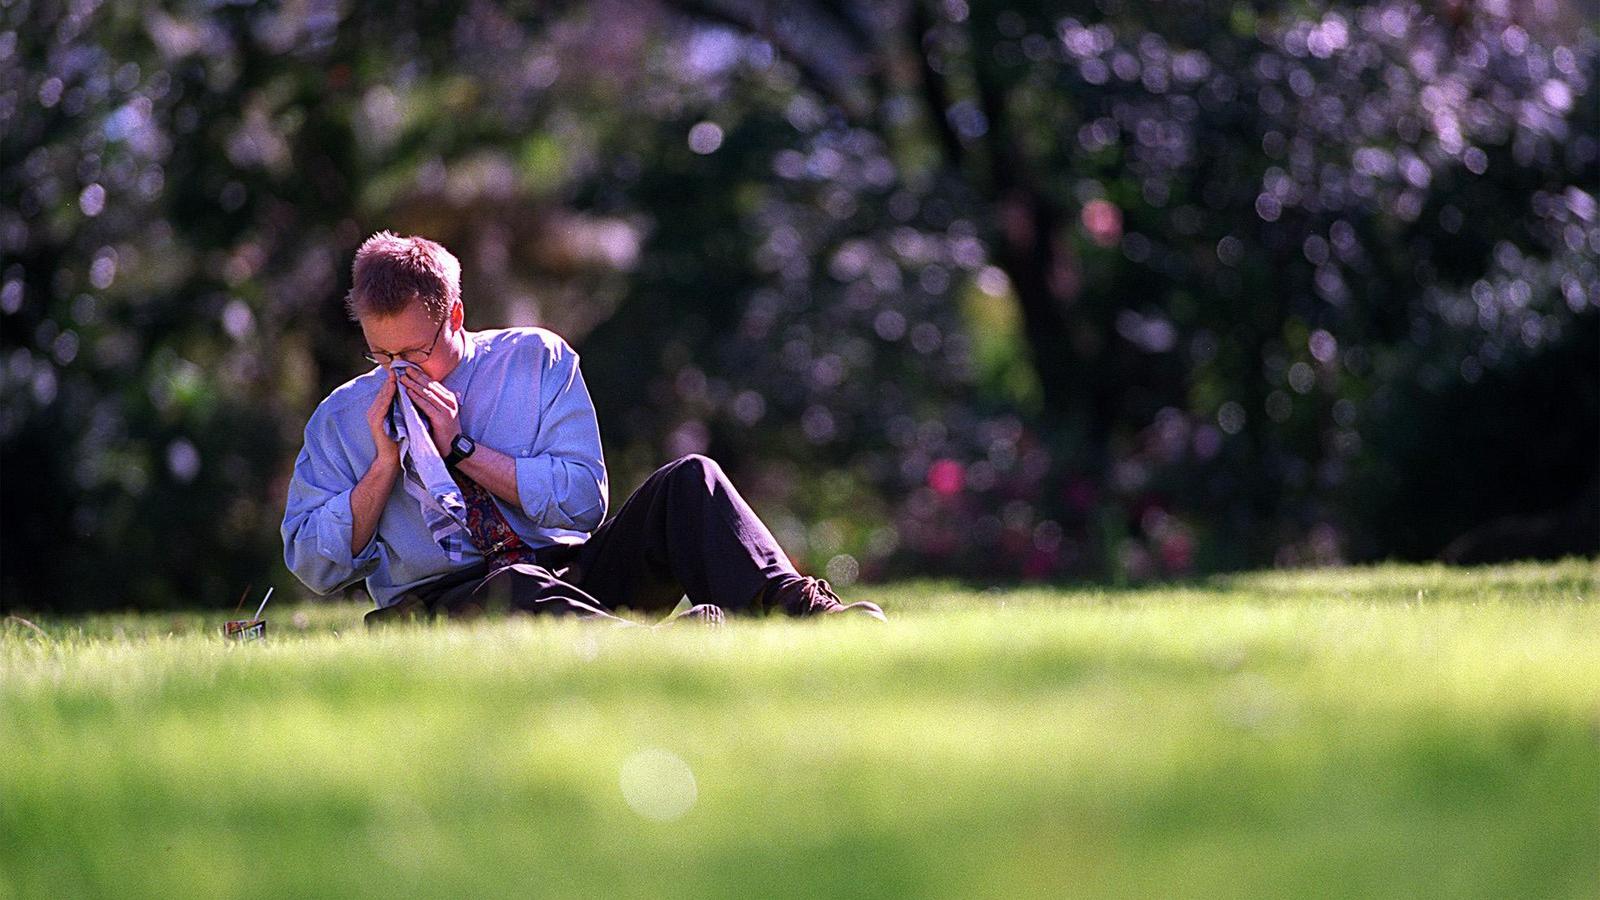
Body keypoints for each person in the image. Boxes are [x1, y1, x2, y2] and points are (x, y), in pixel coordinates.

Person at [281, 231, 885, 626]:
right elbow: (313, 565)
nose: (399, 372)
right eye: (382, 358)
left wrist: (461, 449)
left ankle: (803, 616)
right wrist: (383, 468)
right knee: (507, 585)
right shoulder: (341, 418)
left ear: (456, 316)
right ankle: (651, 648)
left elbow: (582, 504)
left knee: (691, 480)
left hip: (569, 572)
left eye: (414, 353)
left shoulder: (536, 360)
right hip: (440, 601)